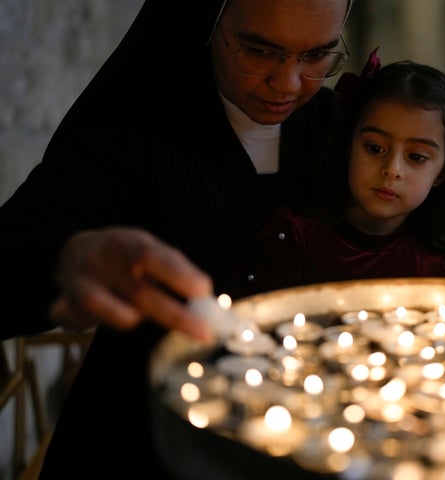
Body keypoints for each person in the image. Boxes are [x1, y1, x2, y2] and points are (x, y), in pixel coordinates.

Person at [0, 0, 353, 477]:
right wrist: (66, 257)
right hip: (139, 444)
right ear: (207, 22)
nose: (289, 83)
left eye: (316, 56)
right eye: (258, 51)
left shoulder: (337, 129)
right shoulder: (133, 123)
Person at [227, 51, 445, 299]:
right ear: (348, 147)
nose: (392, 170)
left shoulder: (441, 267)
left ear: (442, 173)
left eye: (416, 157)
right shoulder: (295, 240)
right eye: (375, 148)